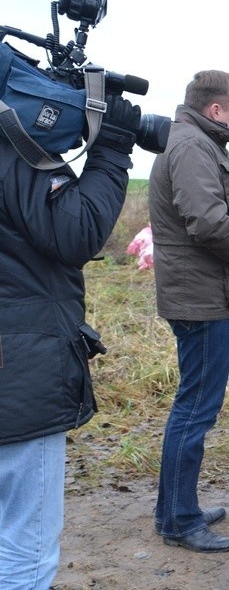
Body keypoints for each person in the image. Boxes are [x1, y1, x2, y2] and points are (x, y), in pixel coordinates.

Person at [0, 94, 141, 588]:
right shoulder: (14, 146)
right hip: (18, 375)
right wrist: (113, 148)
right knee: (25, 546)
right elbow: (76, 232)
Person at [149, 70, 229, 554]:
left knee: (195, 406)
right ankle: (179, 519)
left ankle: (176, 508)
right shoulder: (193, 146)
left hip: (206, 295)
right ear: (215, 109)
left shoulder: (198, 142)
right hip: (202, 300)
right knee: (195, 409)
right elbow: (209, 221)